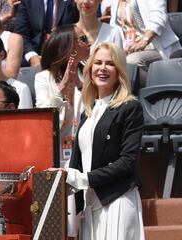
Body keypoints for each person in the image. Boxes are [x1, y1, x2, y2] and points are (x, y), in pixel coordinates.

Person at [66, 42, 145, 239]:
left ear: (119, 71)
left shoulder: (130, 107)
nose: (102, 68)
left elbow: (127, 162)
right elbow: (79, 159)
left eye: (110, 64)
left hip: (116, 198)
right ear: (90, 68)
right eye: (98, 62)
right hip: (89, 202)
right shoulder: (88, 111)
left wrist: (83, 179)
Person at [34, 24, 90, 238]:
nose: (87, 42)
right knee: (63, 222)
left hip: (85, 152)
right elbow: (43, 121)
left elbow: (95, 112)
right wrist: (63, 86)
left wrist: (78, 86)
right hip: (57, 155)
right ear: (69, 46)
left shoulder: (90, 74)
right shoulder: (43, 79)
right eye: (81, 38)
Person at [109, 0, 181, 89]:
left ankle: (147, 95)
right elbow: (114, 27)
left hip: (153, 46)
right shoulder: (115, 1)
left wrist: (144, 40)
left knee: (132, 61)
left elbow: (158, 16)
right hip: (127, 48)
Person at [14, 0, 79, 67]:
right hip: (35, 53)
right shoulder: (29, 1)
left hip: (65, 55)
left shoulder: (71, 2)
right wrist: (32, 56)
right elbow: (21, 33)